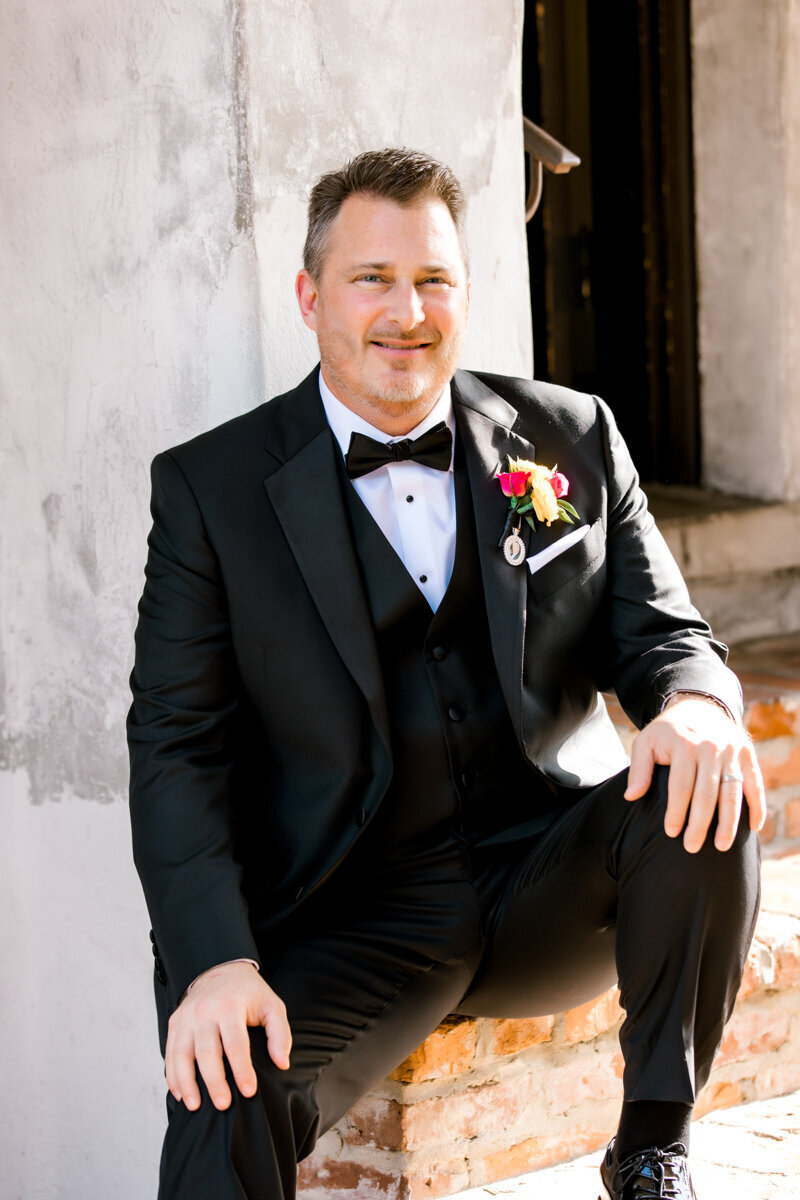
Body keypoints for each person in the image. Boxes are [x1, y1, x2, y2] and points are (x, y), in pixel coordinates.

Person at [128, 147, 764, 1200]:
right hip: (356, 914)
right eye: (370, 278)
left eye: (432, 279)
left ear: (464, 294)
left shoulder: (568, 437)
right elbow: (176, 745)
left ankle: (652, 1145)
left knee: (707, 779)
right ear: (309, 296)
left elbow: (661, 634)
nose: (405, 310)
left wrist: (694, 704)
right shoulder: (211, 490)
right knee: (222, 1094)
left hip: (546, 879)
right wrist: (210, 961)